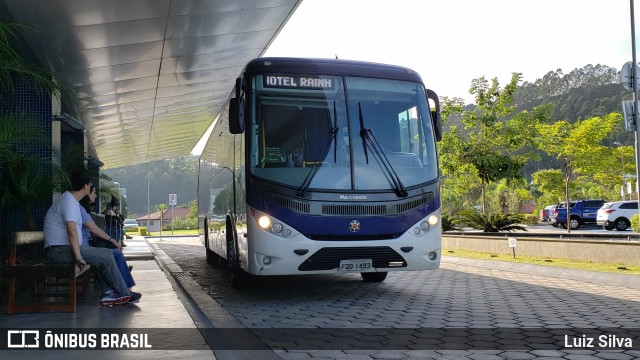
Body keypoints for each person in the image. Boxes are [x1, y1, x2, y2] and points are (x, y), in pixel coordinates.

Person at [43, 172, 137, 306]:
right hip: (58, 251)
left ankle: (110, 294)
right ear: (85, 186)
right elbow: (72, 230)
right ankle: (123, 294)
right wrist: (78, 258)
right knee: (106, 256)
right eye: (90, 185)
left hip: (67, 249)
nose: (91, 187)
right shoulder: (68, 201)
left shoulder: (72, 201)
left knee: (107, 254)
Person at [79, 185, 139, 300]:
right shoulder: (80, 209)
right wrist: (112, 240)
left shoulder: (84, 210)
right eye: (94, 193)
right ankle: (122, 292)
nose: (96, 196)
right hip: (85, 247)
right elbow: (95, 230)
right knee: (109, 255)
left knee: (117, 253)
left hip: (88, 246)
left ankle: (127, 288)